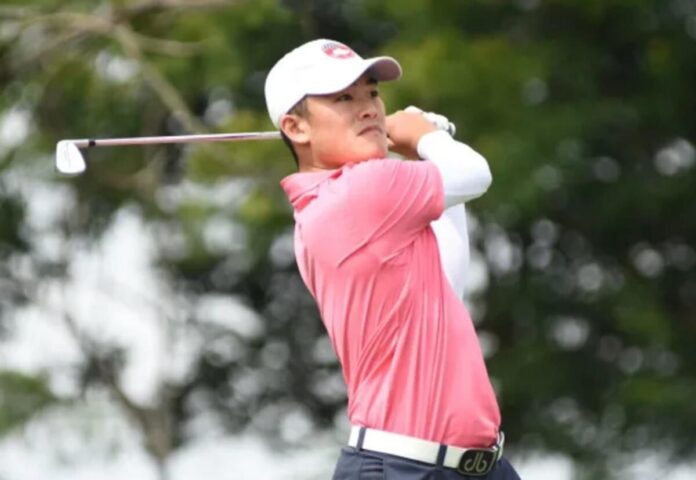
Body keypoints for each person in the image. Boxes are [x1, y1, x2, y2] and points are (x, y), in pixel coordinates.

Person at [264, 39, 521, 479]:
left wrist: (422, 147)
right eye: (344, 99)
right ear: (296, 127)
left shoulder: (345, 207)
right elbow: (475, 174)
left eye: (371, 94)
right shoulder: (360, 190)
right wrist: (428, 137)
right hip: (403, 468)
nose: (368, 109)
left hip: (476, 466)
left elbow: (448, 282)